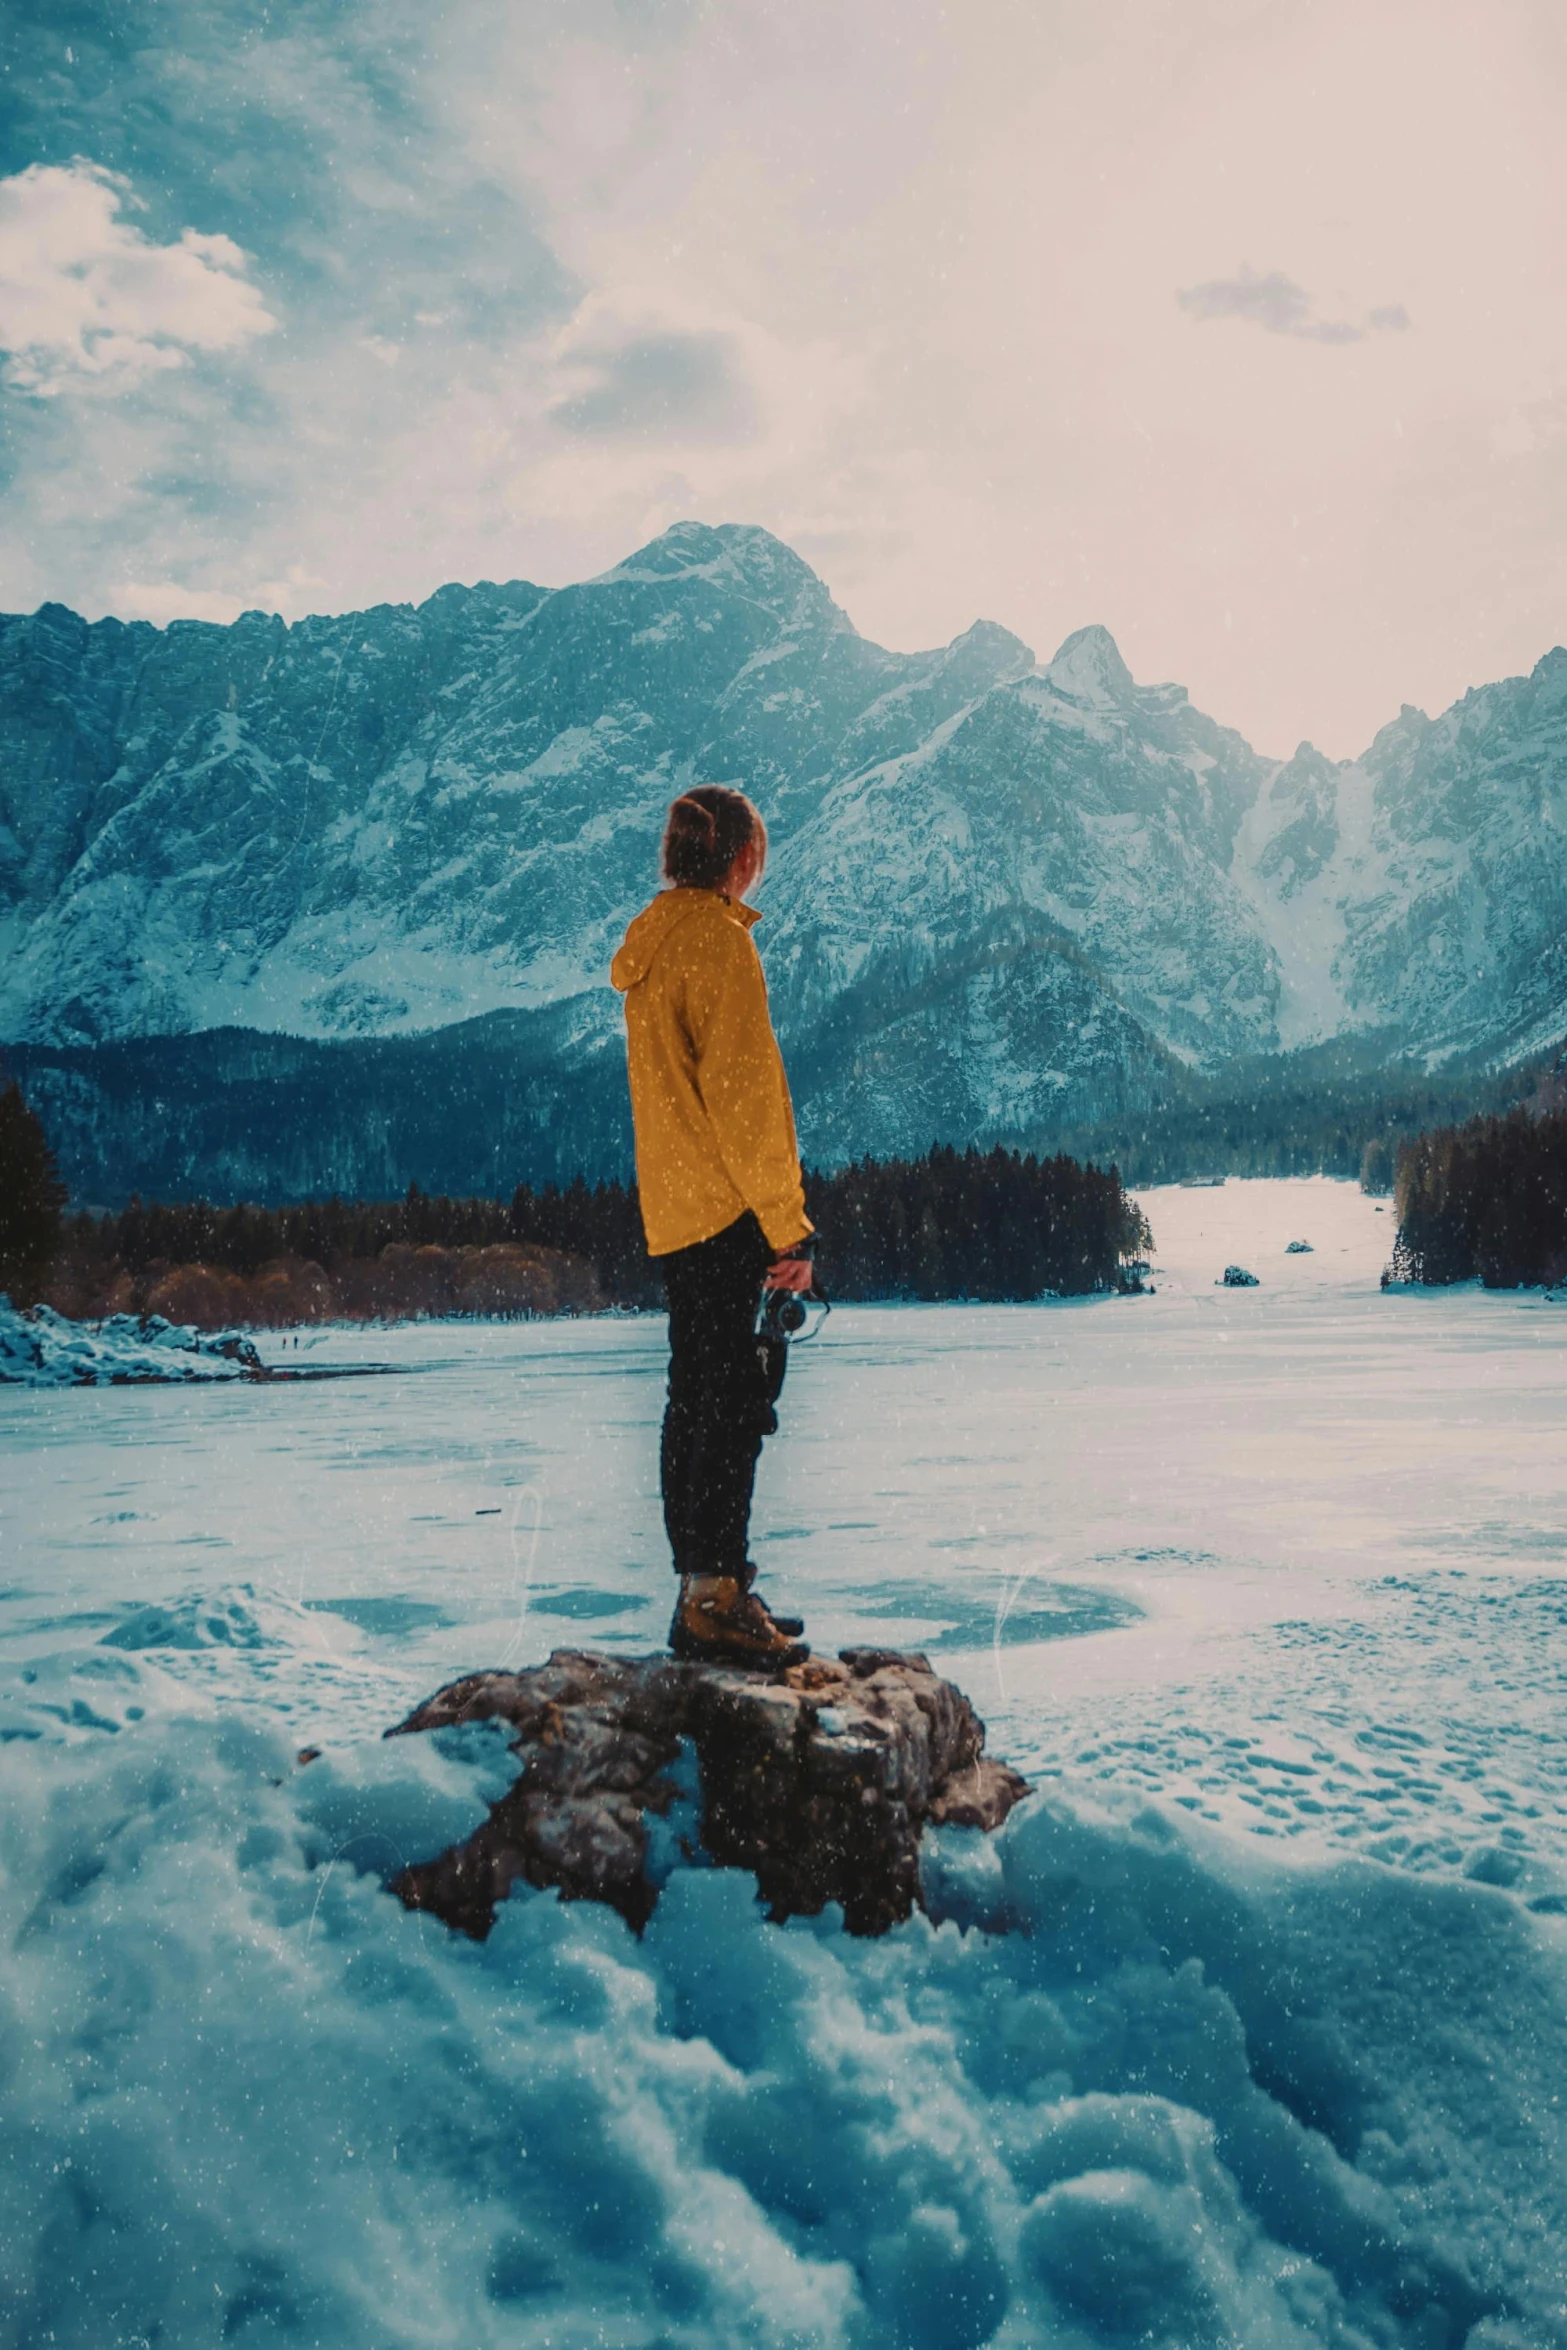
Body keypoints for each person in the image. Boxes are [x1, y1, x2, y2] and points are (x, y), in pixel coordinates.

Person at [611, 785, 815, 1668]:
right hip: (730, 1209)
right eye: (756, 854)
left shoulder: (652, 945)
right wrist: (788, 1229)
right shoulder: (718, 947)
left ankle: (706, 1583)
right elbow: (745, 1103)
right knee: (735, 1403)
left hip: (676, 1210)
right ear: (740, 859)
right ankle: (715, 1599)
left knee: (693, 1398)